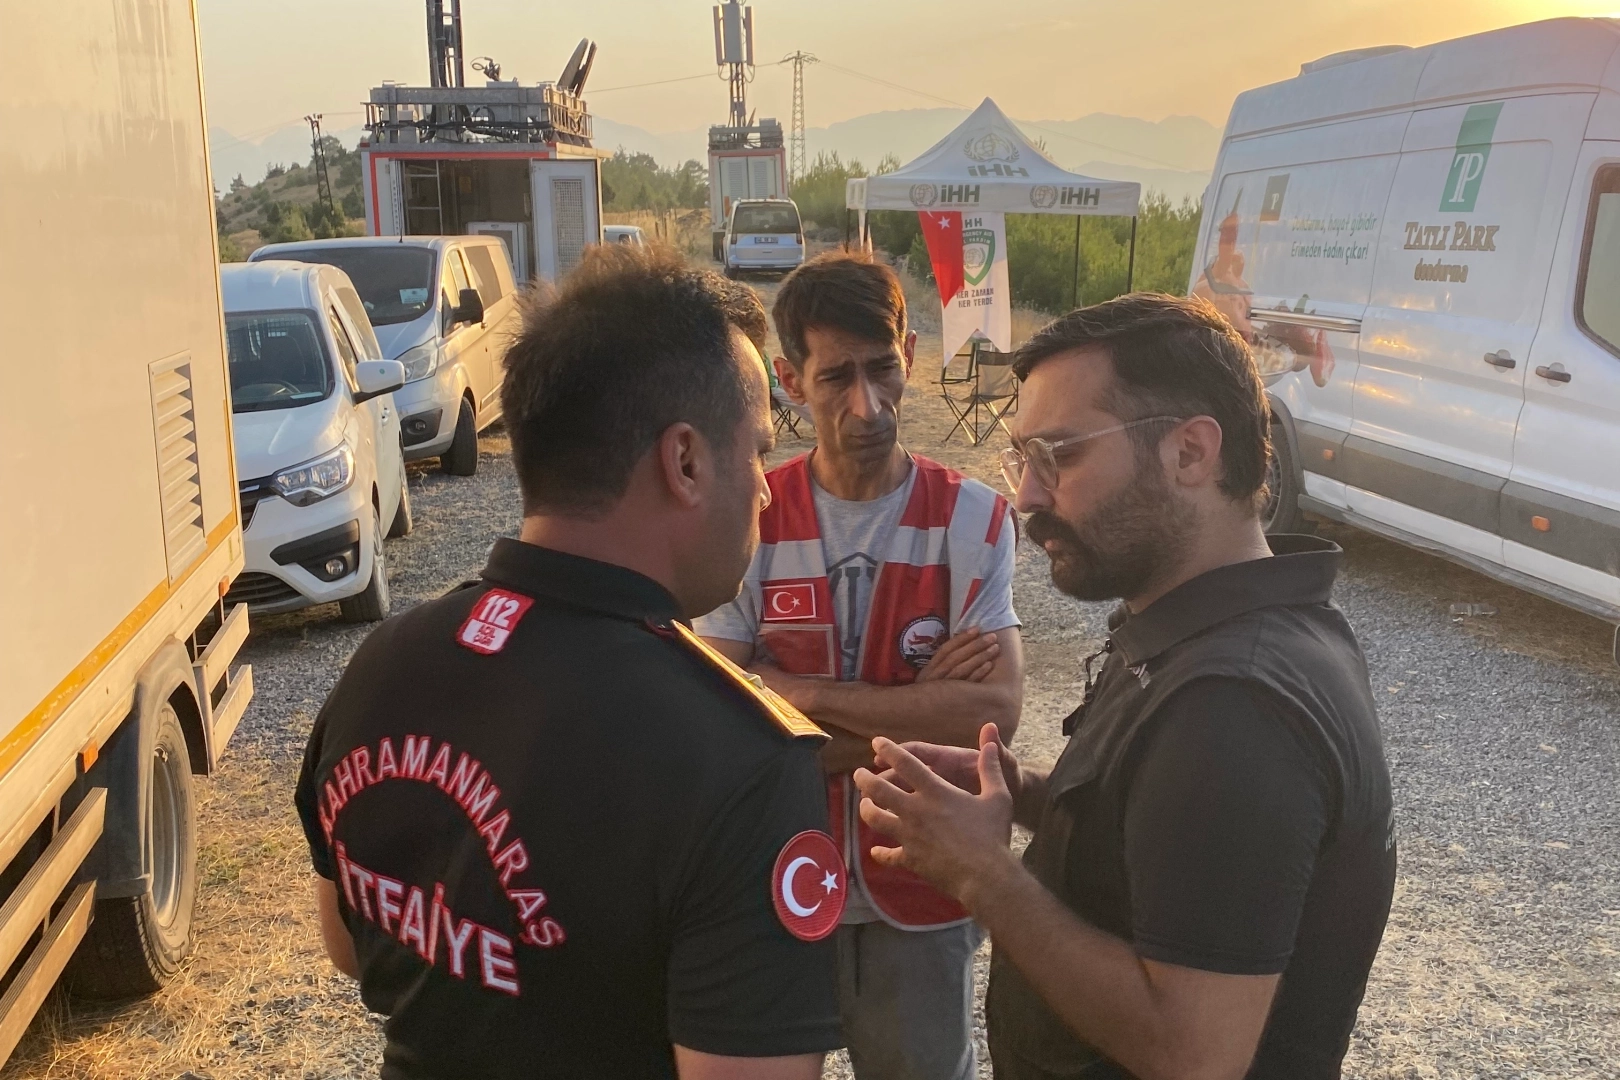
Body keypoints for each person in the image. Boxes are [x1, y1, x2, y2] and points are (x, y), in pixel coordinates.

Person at [294, 245, 846, 1080]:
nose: (766, 489)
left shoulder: (385, 661)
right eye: (758, 453)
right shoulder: (740, 762)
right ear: (685, 461)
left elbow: (348, 944)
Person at [853, 294, 1397, 1080]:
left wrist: (983, 874)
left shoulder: (1235, 706)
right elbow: (1169, 843)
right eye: (1023, 459)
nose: (1027, 496)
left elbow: (1194, 1053)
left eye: (1060, 455)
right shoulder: (1211, 628)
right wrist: (1027, 794)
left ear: (1191, 453)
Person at [697, 252, 1024, 1080]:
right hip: (773, 879)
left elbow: (990, 718)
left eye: (883, 369)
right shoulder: (751, 515)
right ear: (788, 380)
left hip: (924, 879)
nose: (868, 404)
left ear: (909, 353)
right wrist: (921, 708)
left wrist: (794, 693)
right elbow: (721, 730)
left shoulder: (976, 519)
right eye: (837, 376)